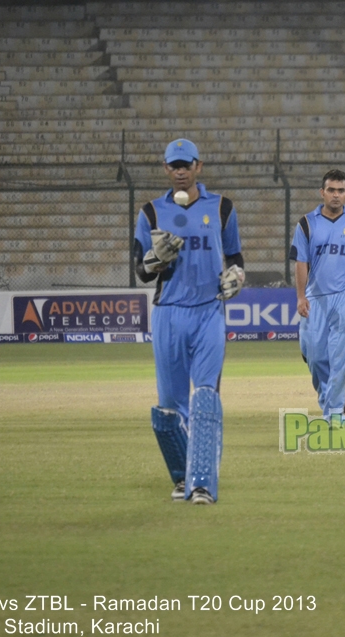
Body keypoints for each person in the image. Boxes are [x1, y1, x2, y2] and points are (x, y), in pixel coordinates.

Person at [134, 138, 245, 505]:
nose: (180, 172)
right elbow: (142, 273)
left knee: (207, 398)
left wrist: (237, 278)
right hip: (168, 313)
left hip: (209, 311)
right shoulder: (150, 212)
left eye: (186, 165)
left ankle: (202, 484)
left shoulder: (223, 207)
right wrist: (155, 259)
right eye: (174, 166)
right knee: (169, 408)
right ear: (166, 169)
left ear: (199, 166)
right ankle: (183, 476)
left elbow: (235, 258)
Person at [291, 169, 345, 420]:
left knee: (340, 358)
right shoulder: (306, 223)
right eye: (331, 190)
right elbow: (300, 263)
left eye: (340, 191)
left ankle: (335, 412)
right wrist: (301, 297)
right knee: (315, 358)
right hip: (316, 298)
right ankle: (329, 399)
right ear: (322, 192)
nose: (336, 195)